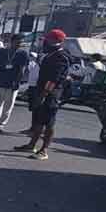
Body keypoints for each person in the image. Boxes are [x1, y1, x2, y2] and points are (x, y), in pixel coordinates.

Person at [14, 29, 72, 160]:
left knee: (49, 123)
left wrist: (44, 94)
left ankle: (44, 150)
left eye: (48, 39)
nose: (45, 42)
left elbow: (55, 78)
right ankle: (31, 145)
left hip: (51, 94)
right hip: (41, 91)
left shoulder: (61, 56)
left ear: (56, 41)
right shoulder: (50, 54)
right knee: (39, 120)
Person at [0, 33, 30, 131]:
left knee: (8, 105)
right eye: (17, 41)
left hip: (13, 83)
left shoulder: (23, 54)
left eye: (21, 42)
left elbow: (23, 69)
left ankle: (1, 124)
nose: (19, 44)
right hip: (1, 81)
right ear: (12, 42)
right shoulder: (4, 52)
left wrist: (18, 81)